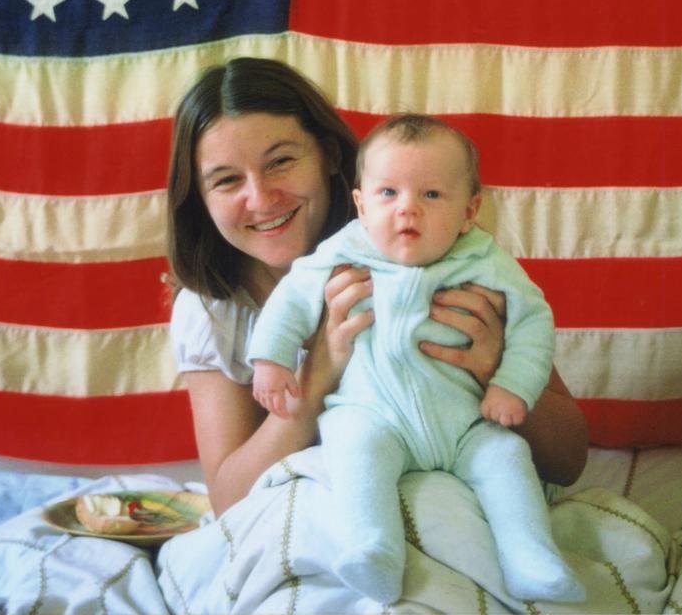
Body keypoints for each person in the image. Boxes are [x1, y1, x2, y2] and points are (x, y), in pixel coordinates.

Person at [166, 58, 588, 520]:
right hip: (321, 516)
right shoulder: (217, 312)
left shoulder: (433, 249)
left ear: (328, 155)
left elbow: (568, 462)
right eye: (227, 180)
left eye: (281, 161)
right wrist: (318, 374)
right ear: (200, 200)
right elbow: (228, 500)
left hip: (461, 498)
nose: (262, 198)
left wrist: (494, 369)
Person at [247, 114, 583, 604]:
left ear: (469, 211)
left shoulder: (485, 261)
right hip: (372, 414)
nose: (408, 211)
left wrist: (511, 383)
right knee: (354, 449)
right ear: (360, 205)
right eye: (388, 194)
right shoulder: (345, 252)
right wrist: (272, 359)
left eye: (431, 195)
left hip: (467, 420)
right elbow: (293, 297)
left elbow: (534, 321)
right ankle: (372, 549)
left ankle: (533, 560)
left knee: (507, 457)